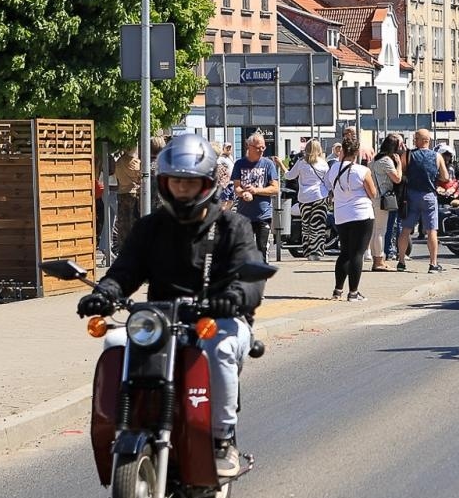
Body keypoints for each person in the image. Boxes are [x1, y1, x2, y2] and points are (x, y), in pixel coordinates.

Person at [77, 132, 264, 479]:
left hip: (218, 318)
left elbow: (250, 272)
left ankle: (222, 439)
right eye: (176, 182)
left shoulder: (231, 226)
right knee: (115, 340)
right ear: (164, 183)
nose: (182, 189)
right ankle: (124, 421)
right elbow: (126, 269)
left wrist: (235, 296)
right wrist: (105, 292)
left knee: (219, 348)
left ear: (206, 183)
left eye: (190, 183)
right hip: (162, 320)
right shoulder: (151, 227)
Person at [325, 133, 379, 301]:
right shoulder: (363, 171)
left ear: (342, 151)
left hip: (341, 215)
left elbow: (330, 186)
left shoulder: (333, 169)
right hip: (362, 214)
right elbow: (373, 193)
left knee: (345, 252)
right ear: (356, 153)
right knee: (357, 253)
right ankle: (353, 292)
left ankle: (337, 290)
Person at [396, 128, 450, 272]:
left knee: (405, 230)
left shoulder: (408, 155)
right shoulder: (437, 156)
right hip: (429, 195)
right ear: (428, 141)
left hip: (411, 196)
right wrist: (434, 178)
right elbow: (445, 177)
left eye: (415, 139)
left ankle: (401, 261)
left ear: (418, 140)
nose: (414, 141)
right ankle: (433, 263)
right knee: (431, 230)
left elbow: (401, 173)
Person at [231, 130, 281, 259]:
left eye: (263, 147)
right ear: (249, 146)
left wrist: (256, 191)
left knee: (261, 248)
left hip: (263, 214)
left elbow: (275, 189)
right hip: (244, 214)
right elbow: (237, 187)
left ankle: (262, 270)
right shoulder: (239, 164)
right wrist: (244, 193)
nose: (261, 150)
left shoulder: (268, 164)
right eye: (258, 148)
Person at [285, 138, 332, 260]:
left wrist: (281, 165)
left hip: (304, 198)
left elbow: (290, 176)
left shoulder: (301, 162)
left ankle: (307, 251)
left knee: (306, 225)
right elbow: (328, 183)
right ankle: (316, 252)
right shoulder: (323, 164)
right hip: (320, 196)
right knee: (318, 225)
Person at [369, 133, 403, 271]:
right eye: (400, 145)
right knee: (380, 231)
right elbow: (397, 179)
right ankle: (379, 261)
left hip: (373, 198)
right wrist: (399, 164)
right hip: (382, 199)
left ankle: (376, 260)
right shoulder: (386, 161)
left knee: (374, 231)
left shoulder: (374, 160)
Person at [113, 145, 142, 247]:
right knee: (134, 221)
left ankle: (123, 246)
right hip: (133, 193)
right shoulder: (135, 162)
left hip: (121, 193)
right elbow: (140, 177)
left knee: (123, 222)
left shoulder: (118, 162)